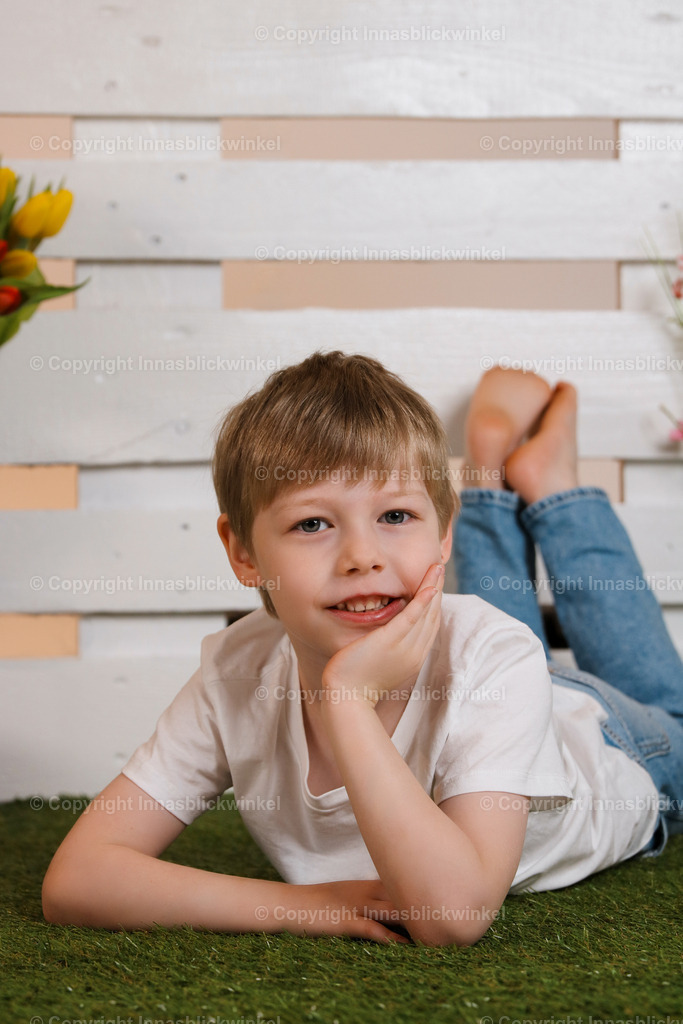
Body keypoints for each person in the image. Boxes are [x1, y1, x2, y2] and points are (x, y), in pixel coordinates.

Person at [41, 354, 683, 948]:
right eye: (312, 523)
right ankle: (489, 467)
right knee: (473, 629)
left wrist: (345, 701)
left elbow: (451, 917)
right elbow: (78, 879)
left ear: (443, 528)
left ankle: (547, 483)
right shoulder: (237, 672)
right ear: (242, 551)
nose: (362, 556)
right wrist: (308, 906)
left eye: (396, 516)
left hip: (612, 743)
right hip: (494, 688)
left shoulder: (494, 655)